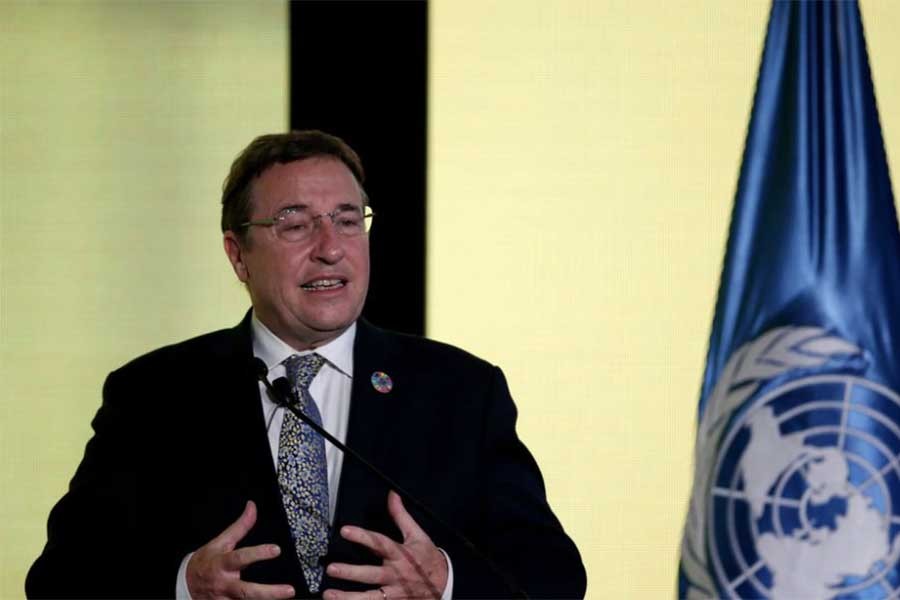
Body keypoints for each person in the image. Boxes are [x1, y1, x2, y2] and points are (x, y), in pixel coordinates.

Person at [26, 130, 587, 599]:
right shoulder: (154, 396)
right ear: (237, 254)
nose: (330, 247)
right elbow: (59, 580)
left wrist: (444, 583)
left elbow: (556, 578)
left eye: (348, 220)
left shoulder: (460, 391)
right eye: (295, 225)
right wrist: (183, 585)